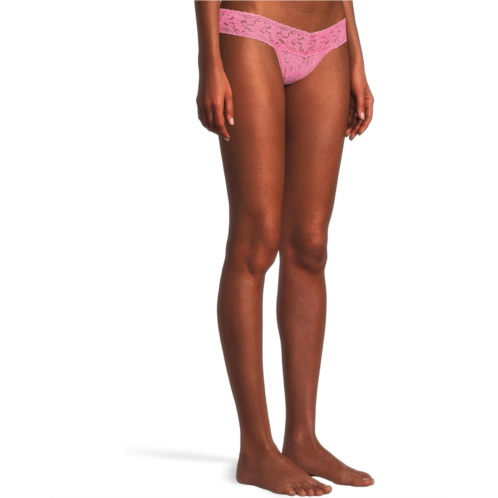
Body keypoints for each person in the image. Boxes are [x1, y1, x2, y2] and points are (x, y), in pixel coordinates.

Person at [194, 1, 375, 495]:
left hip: (329, 38)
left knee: (311, 246)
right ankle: (255, 448)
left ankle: (302, 439)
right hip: (252, 27)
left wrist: (357, 55)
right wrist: (208, 58)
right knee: (256, 241)